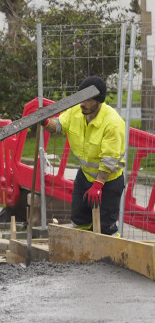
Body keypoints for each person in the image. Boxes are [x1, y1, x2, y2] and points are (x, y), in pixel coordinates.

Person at [42, 76, 125, 235]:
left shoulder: (113, 123)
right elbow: (58, 126)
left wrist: (98, 185)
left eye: (88, 100)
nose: (82, 103)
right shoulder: (75, 112)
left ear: (99, 101)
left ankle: (109, 257)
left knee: (105, 226)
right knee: (79, 219)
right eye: (81, 98)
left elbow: (110, 159)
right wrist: (45, 122)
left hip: (109, 181)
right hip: (85, 177)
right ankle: (81, 254)